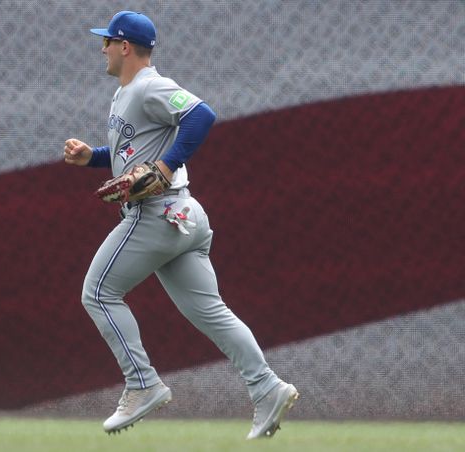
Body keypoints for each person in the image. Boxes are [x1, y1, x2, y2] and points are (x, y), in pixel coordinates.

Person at [63, 11, 298, 439]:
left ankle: (142, 383)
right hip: (185, 217)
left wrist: (168, 166)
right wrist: (93, 157)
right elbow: (134, 153)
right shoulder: (126, 93)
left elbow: (201, 115)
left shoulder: (150, 85)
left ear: (125, 47)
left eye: (107, 41)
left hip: (156, 213)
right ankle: (267, 387)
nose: (102, 48)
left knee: (97, 292)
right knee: (212, 312)